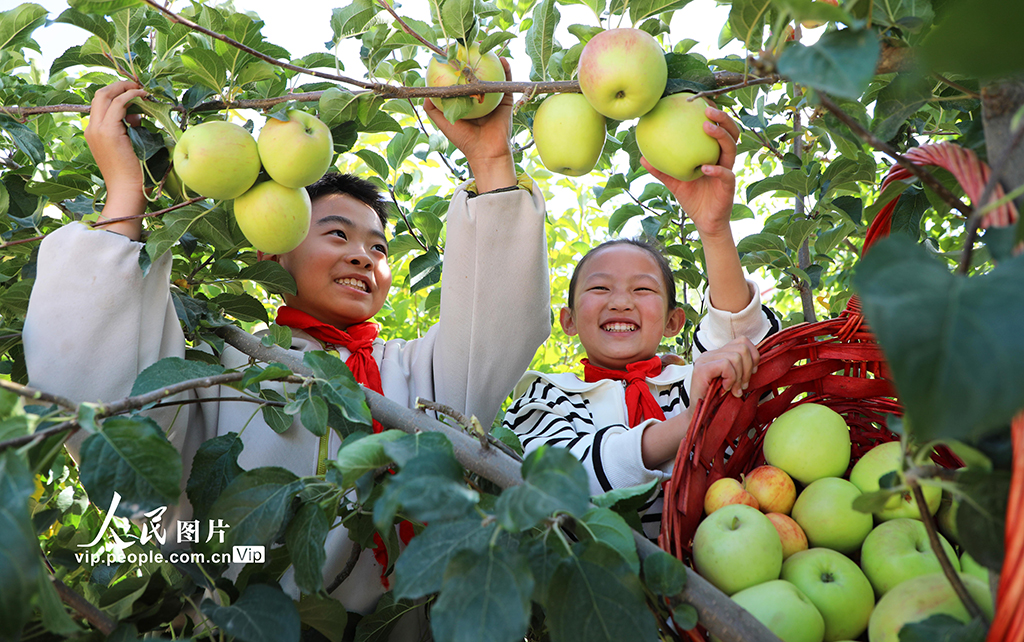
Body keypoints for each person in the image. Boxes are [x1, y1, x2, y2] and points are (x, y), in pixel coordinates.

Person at [23, 64, 549, 626]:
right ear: (273, 250)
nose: (362, 257)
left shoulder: (416, 372)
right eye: (337, 234)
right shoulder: (221, 365)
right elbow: (101, 406)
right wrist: (125, 194)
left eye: (378, 248)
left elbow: (500, 326)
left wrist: (491, 164)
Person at [501, 105, 779, 540]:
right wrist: (697, 419)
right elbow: (562, 479)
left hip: (721, 582)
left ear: (673, 321)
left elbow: (742, 347)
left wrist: (714, 229)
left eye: (643, 290)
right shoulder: (546, 396)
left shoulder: (689, 382)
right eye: (599, 289)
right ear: (569, 320)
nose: (621, 302)